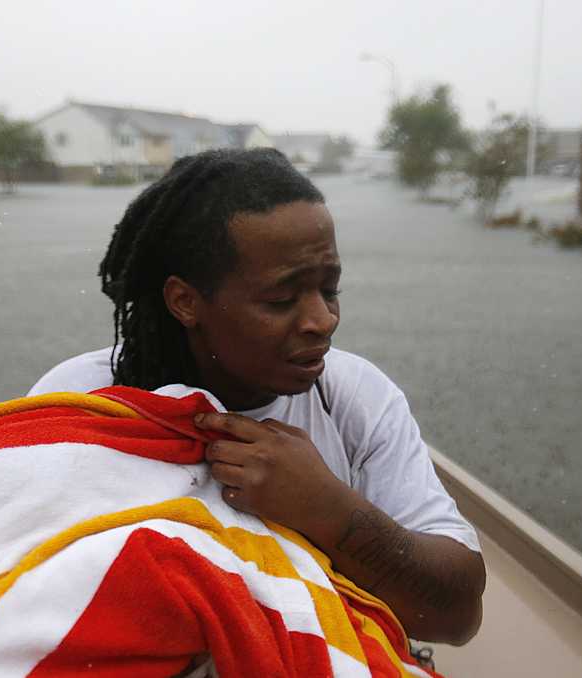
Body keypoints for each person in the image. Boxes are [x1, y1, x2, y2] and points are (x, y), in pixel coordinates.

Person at [29, 148, 485, 644]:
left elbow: (457, 616)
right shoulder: (79, 402)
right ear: (185, 301)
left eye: (330, 290)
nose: (322, 320)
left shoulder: (356, 397)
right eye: (281, 299)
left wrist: (327, 508)